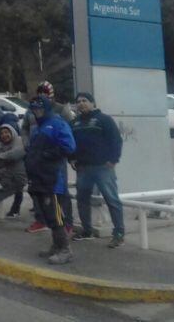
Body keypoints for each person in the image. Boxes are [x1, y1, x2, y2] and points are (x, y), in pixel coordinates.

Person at [25, 96, 77, 265]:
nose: (37, 112)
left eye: (40, 109)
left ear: (47, 108)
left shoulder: (57, 123)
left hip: (52, 179)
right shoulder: (37, 127)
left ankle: (65, 249)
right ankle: (56, 246)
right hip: (39, 177)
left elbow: (69, 146)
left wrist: (48, 155)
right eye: (34, 109)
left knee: (55, 216)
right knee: (48, 216)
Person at [69, 92, 125, 248]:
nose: (81, 104)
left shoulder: (104, 120)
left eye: (85, 100)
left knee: (112, 199)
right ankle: (86, 231)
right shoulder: (75, 123)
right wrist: (71, 158)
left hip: (103, 168)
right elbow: (70, 143)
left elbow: (116, 140)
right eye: (78, 101)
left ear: (93, 103)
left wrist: (113, 160)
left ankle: (119, 233)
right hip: (83, 168)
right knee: (82, 200)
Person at [18, 80, 75, 231]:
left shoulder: (60, 111)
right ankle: (41, 220)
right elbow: (24, 128)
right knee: (37, 190)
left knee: (59, 192)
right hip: (35, 156)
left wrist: (55, 152)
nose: (43, 94)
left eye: (45, 92)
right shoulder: (31, 111)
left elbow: (70, 134)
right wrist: (26, 143)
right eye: (40, 91)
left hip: (53, 160)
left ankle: (66, 223)